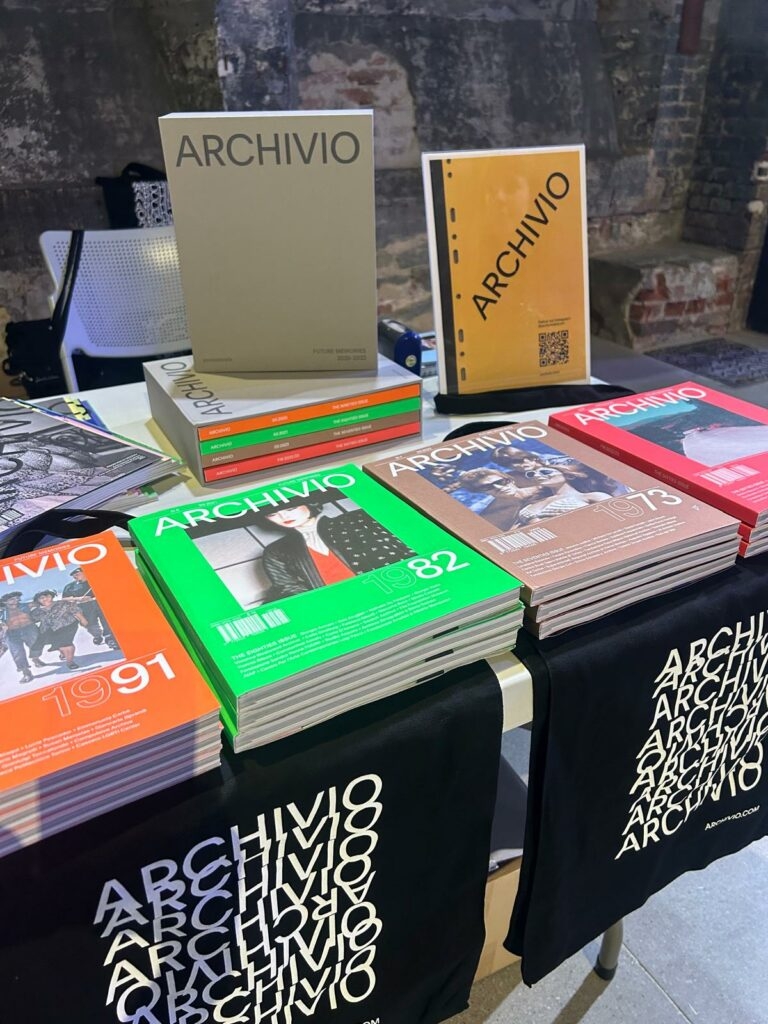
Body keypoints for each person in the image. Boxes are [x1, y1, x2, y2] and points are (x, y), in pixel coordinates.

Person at [256, 496, 415, 600]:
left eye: (290, 509)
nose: (284, 517)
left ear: (309, 503)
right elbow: (288, 588)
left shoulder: (356, 518)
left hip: (394, 591)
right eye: (272, 514)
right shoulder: (276, 551)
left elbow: (404, 548)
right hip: (342, 606)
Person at [30, 590, 88, 672]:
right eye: (41, 598)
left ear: (52, 596)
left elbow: (75, 611)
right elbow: (29, 621)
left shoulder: (63, 603)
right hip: (48, 630)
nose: (45, 599)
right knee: (38, 644)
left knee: (66, 644)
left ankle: (70, 662)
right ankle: (36, 659)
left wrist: (83, 620)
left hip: (67, 625)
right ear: (38, 601)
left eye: (48, 596)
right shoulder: (36, 612)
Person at [62, 569, 117, 649]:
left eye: (77, 574)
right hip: (84, 607)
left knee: (106, 621)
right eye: (73, 576)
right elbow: (64, 599)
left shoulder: (96, 581)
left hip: (99, 604)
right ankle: (97, 635)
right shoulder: (70, 586)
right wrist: (78, 598)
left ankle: (109, 638)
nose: (75, 577)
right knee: (90, 624)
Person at [0, 592, 46, 683]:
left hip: (29, 628)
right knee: (17, 652)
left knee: (35, 645)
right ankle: (26, 673)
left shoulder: (26, 605)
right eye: (12, 599)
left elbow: (40, 603)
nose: (16, 600)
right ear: (5, 602)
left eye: (17, 598)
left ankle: (35, 659)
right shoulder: (2, 612)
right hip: (12, 633)